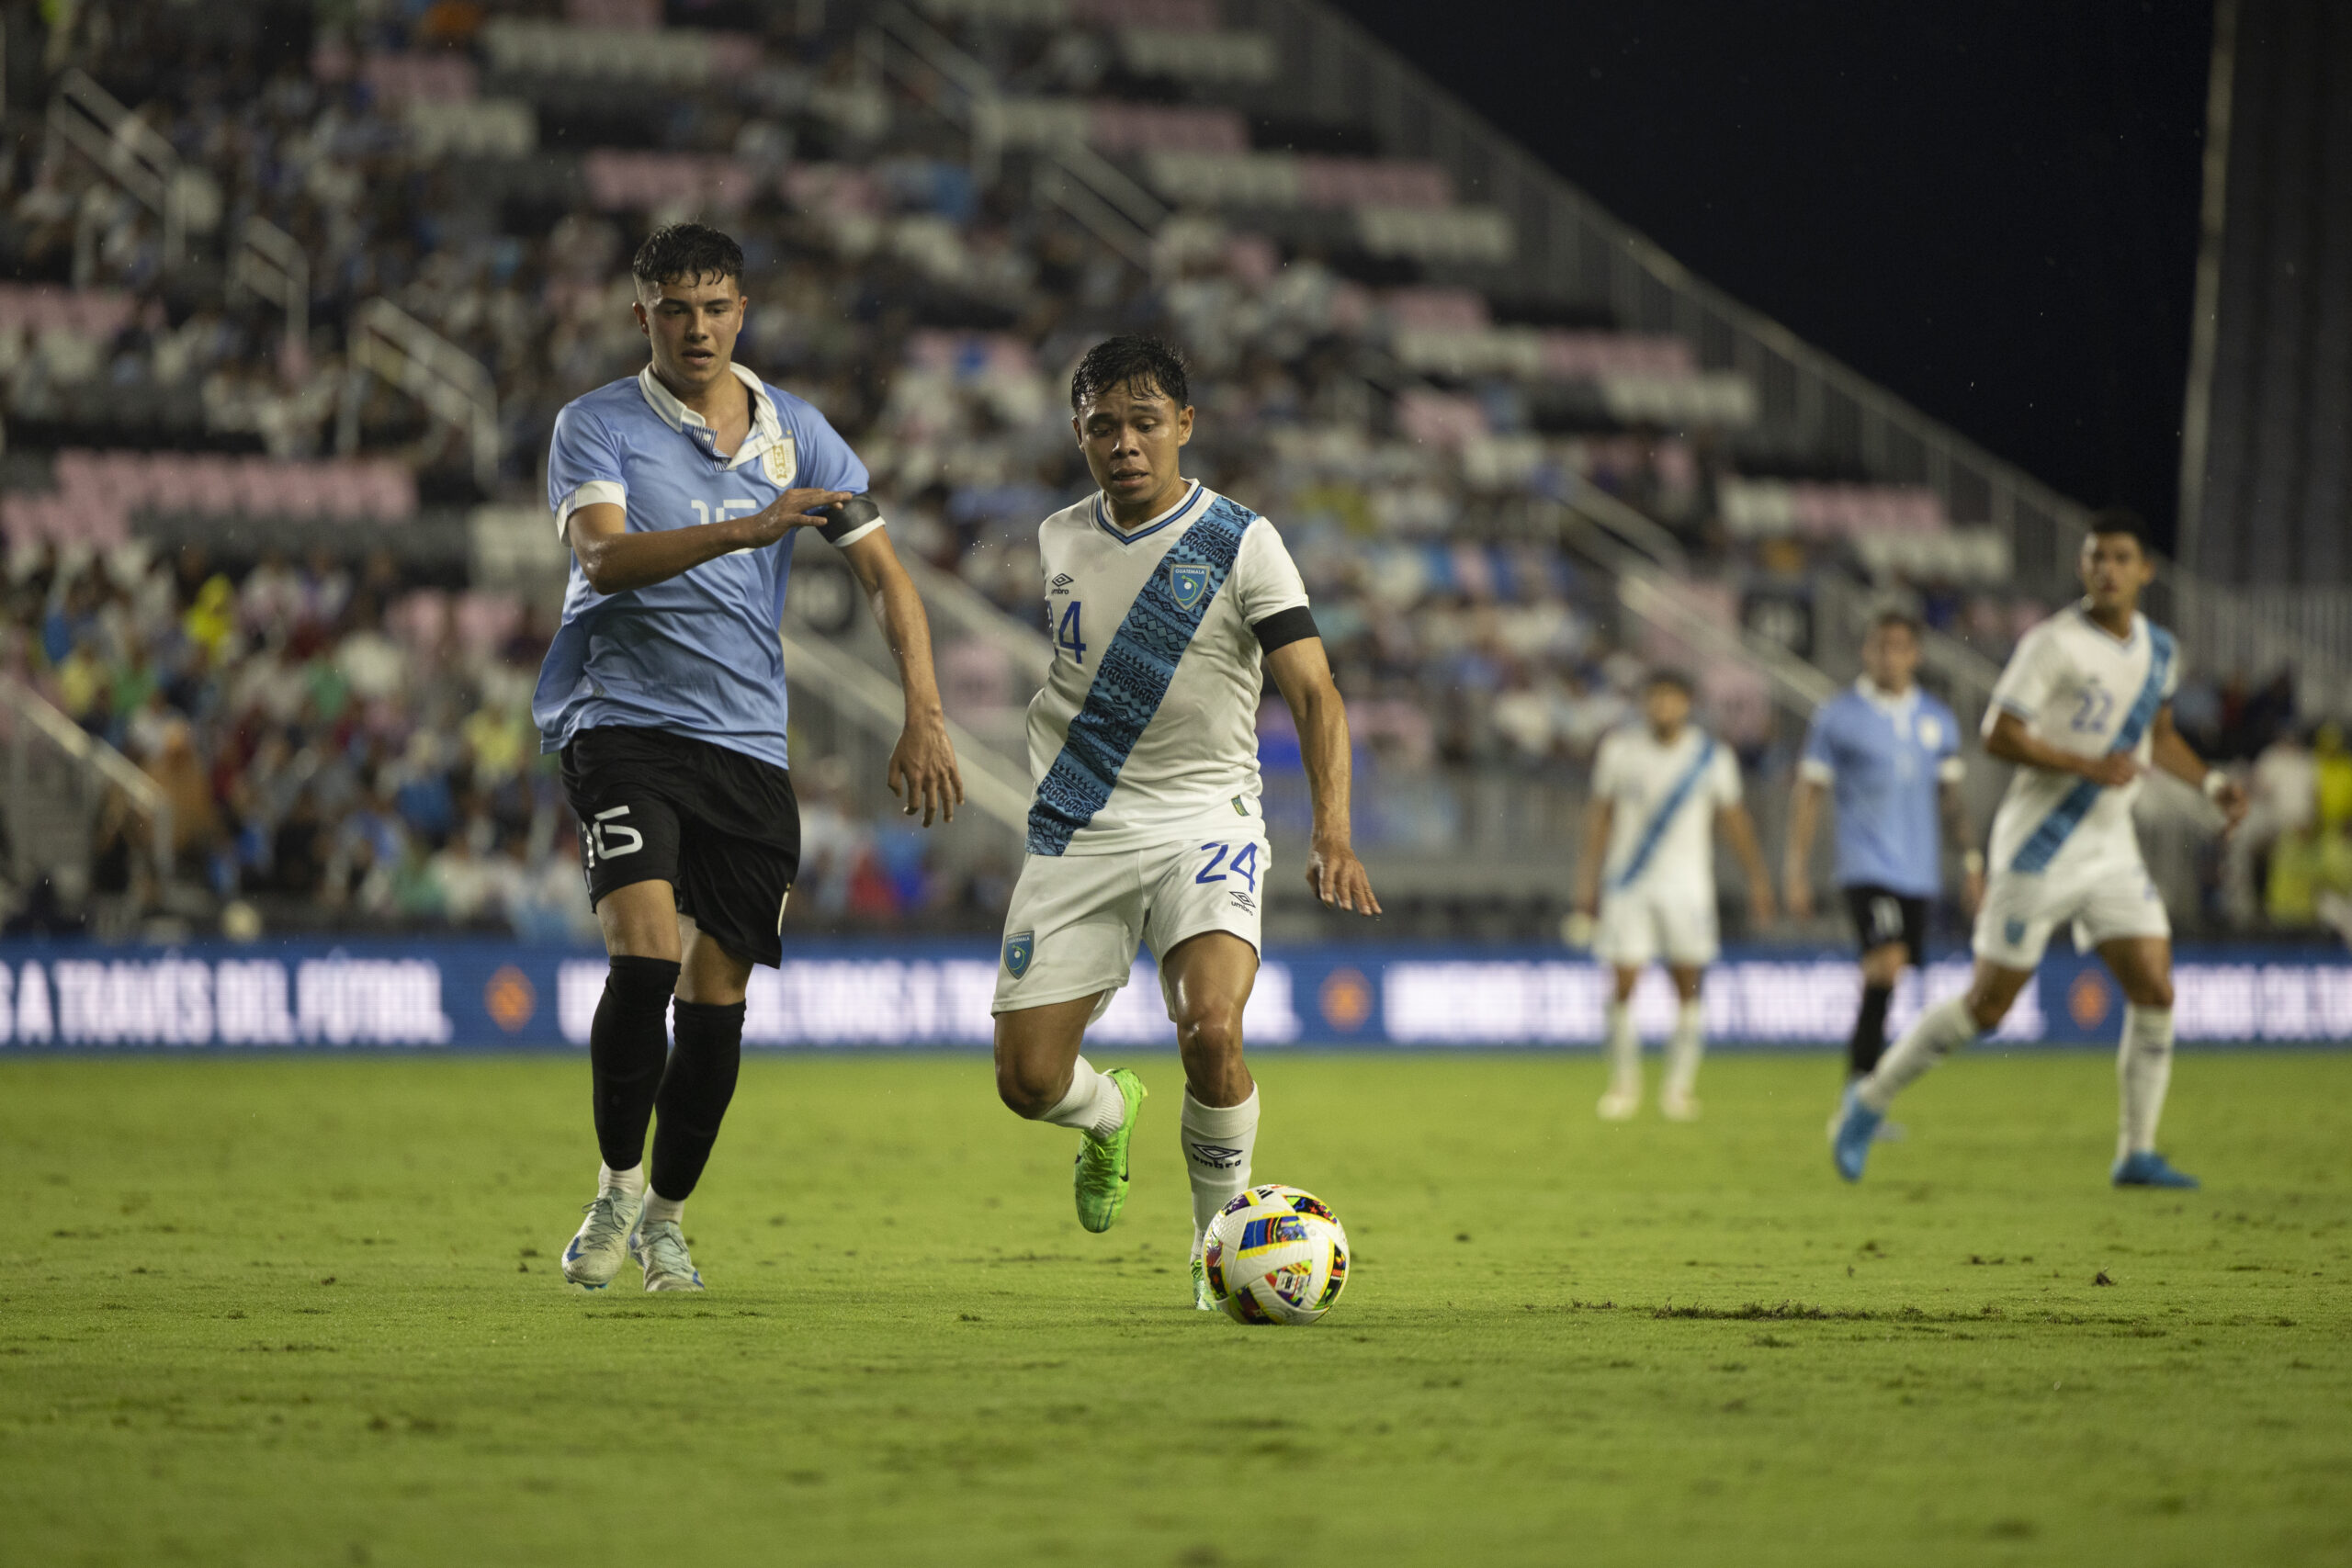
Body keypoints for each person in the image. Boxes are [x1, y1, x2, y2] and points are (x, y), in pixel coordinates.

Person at [541, 223, 963, 1292]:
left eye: (715, 306)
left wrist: (924, 709)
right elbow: (602, 554)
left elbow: (883, 575)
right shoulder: (593, 426)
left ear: (743, 311)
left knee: (716, 996)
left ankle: (668, 1220)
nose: (696, 328)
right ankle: (613, 1190)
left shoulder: (802, 434)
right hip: (621, 722)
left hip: (744, 747)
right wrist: (745, 528)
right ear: (640, 316)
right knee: (641, 956)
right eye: (673, 308)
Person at [988, 335, 1379, 1310]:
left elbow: (1315, 693)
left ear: (1184, 428)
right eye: (1103, 425)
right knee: (1029, 1083)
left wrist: (1332, 829)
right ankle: (1107, 1111)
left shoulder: (1242, 541)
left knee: (1210, 1029)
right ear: (1079, 434)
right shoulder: (1056, 539)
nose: (1125, 442)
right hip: (1079, 823)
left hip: (1208, 819)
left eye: (1145, 422)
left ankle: (1218, 1259)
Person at [1832, 512, 2248, 1187]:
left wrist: (2213, 781)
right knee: (1988, 1007)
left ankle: (2135, 1151)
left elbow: (2159, 734)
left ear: (2145, 570)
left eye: (2120, 557)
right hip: (2039, 844)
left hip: (2111, 847)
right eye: (2095, 558)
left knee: (2156, 986)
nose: (2106, 569)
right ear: (2083, 568)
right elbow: (1999, 732)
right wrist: (2083, 765)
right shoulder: (2052, 644)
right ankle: (1867, 1101)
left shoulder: (2161, 650)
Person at [1784, 611, 1983, 1111]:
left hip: (1919, 872)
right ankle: (1861, 1096)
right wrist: (1795, 868)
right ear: (1865, 651)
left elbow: (1950, 798)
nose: (1888, 656)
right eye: (1879, 646)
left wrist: (1973, 863)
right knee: (1885, 966)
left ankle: (1864, 1091)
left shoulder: (1937, 718)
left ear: (1915, 654)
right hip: (1866, 867)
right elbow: (1809, 793)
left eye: (1899, 647)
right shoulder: (1838, 715)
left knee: (1889, 976)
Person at [1573, 669, 1776, 1122]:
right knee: (1623, 983)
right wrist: (1587, 883)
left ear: (1687, 703)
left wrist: (1758, 880)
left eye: (1671, 698)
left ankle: (1679, 1089)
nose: (1662, 706)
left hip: (1688, 887)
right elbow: (1600, 818)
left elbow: (1735, 822)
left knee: (1688, 986)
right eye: (1655, 697)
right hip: (1628, 884)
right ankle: (1624, 1085)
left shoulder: (1711, 756)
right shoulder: (1619, 750)